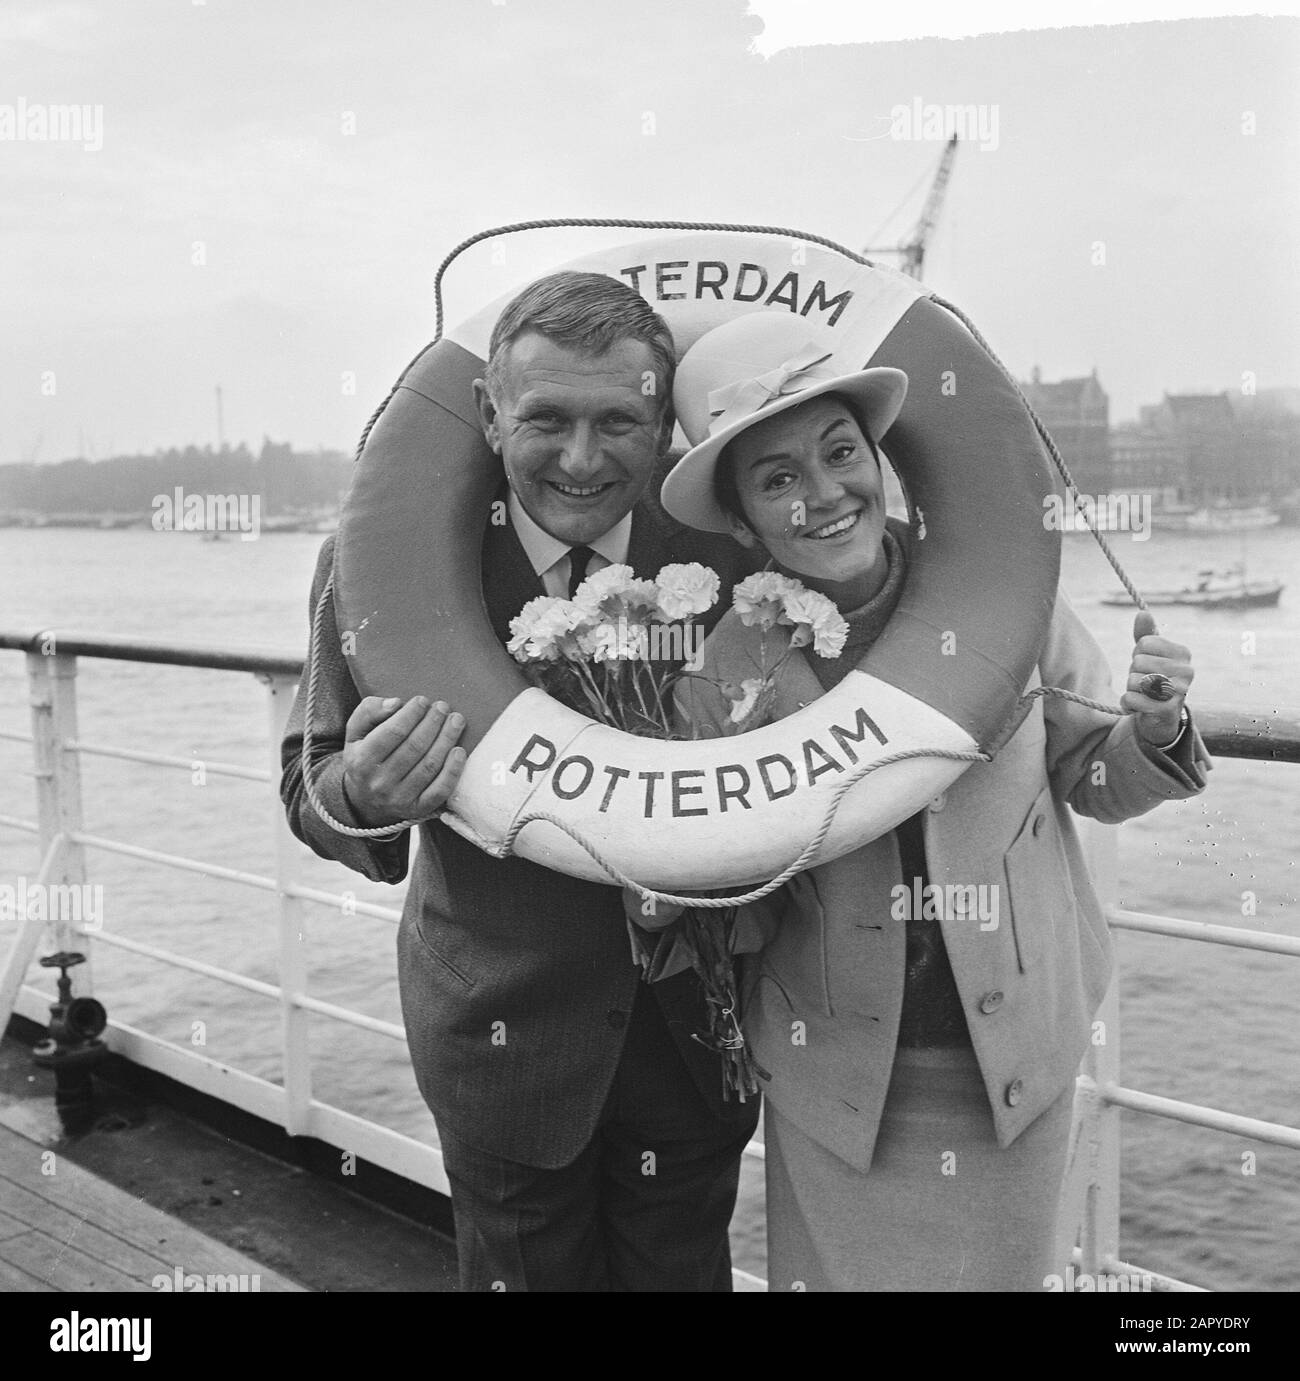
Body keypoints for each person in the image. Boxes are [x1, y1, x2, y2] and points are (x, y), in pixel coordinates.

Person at [651, 312, 1211, 1291]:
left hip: (1014, 1056)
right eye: (779, 478)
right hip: (839, 1076)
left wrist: (1153, 728)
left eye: (840, 453)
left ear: (881, 460)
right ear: (741, 521)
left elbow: (1092, 773)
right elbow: (722, 897)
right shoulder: (723, 675)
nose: (825, 494)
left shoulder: (999, 592)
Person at [280, 272, 761, 1292]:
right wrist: (366, 792)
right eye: (544, 417)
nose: (581, 460)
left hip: (693, 1035)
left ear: (664, 422)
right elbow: (309, 786)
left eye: (619, 422)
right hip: (503, 1036)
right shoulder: (385, 563)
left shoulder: (732, 558)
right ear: (489, 415)